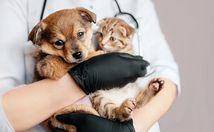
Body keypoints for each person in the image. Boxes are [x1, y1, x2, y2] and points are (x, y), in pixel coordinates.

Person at [0, 0, 180, 132]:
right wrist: (79, 81)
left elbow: (165, 73)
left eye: (80, 35)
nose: (75, 49)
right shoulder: (17, 3)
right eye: (59, 43)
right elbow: (5, 111)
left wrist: (132, 128)